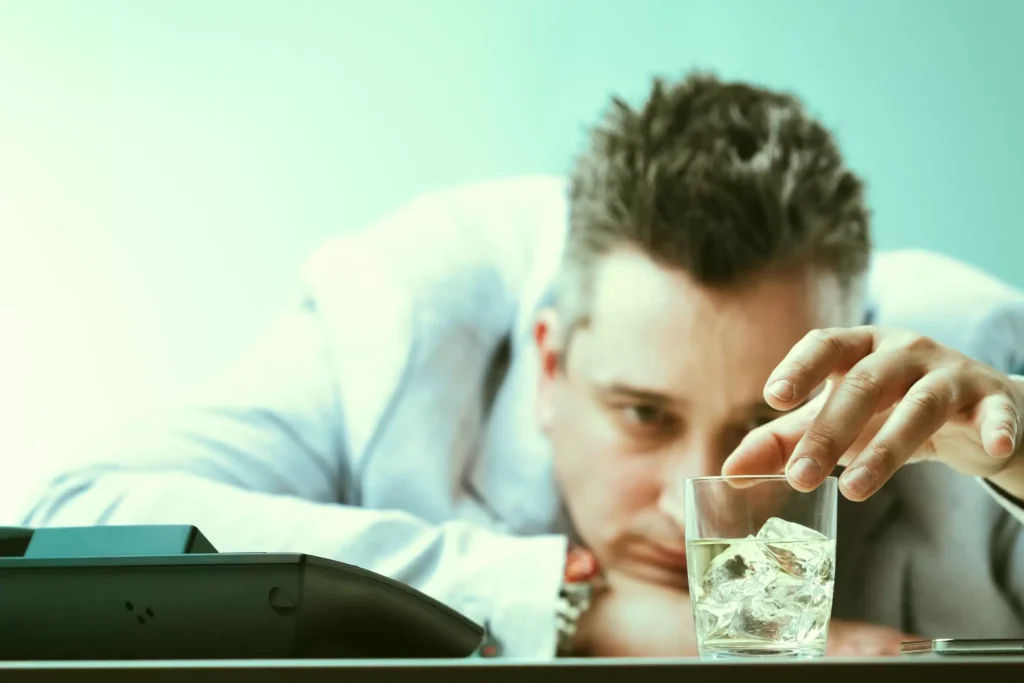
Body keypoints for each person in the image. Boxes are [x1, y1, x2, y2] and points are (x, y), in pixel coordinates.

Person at [23, 73, 1024, 658]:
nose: (696, 499)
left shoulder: (970, 367)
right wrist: (577, 606)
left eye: (768, 425)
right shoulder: (400, 318)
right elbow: (75, 520)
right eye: (642, 413)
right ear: (549, 363)